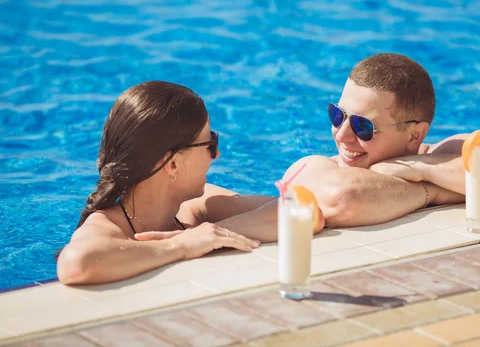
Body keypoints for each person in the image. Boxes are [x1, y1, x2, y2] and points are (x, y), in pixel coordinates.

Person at [160, 53, 480, 234]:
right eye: (337, 115)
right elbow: (344, 197)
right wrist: (441, 191)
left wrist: (419, 169)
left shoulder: (439, 154)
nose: (341, 135)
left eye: (362, 125)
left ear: (415, 135)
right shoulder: (318, 168)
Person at [57, 81, 319, 285]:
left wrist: (211, 232)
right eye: (210, 143)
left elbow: (306, 213)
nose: (217, 154)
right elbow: (77, 263)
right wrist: (181, 246)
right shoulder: (108, 226)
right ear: (172, 164)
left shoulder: (196, 208)